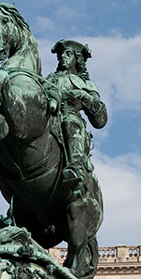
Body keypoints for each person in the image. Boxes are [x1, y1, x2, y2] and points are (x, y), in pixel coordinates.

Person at [43, 40, 108, 192]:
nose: (62, 57)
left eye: (67, 54)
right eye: (60, 55)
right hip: (46, 114)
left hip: (69, 116)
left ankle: (76, 167)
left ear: (77, 58)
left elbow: (100, 120)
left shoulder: (86, 84)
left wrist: (83, 96)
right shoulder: (49, 79)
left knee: (71, 122)